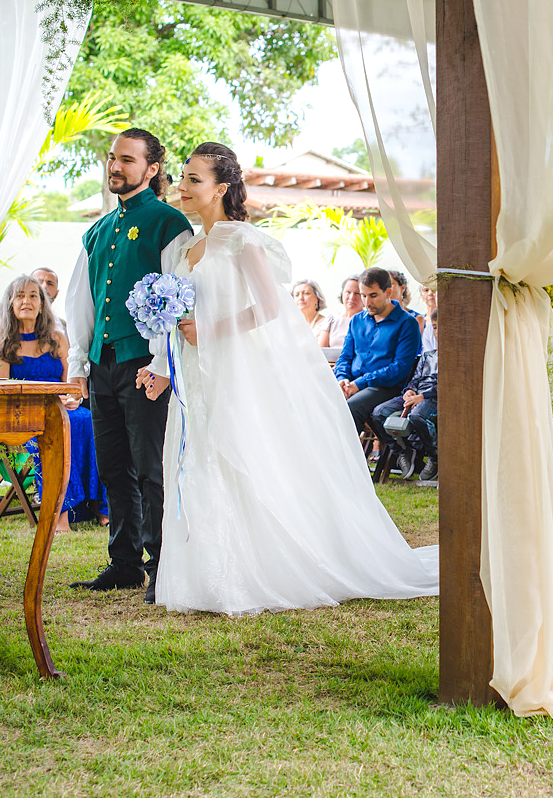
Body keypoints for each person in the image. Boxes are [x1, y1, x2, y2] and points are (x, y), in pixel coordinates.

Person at [133, 142, 440, 615]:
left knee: (237, 457)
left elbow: (269, 308)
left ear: (222, 188)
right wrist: (161, 369)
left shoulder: (242, 241)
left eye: (195, 179)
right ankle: (204, 577)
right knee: (197, 459)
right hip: (193, 375)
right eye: (183, 178)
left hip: (235, 372)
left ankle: (255, 572)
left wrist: (211, 330)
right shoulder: (181, 248)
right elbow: (177, 320)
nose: (183, 187)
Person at [64, 127, 193, 602]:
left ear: (152, 168)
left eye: (127, 160)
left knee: (150, 469)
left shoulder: (169, 223)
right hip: (103, 364)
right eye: (112, 158)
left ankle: (162, 566)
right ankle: (124, 563)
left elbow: (180, 299)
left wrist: (161, 363)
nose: (115, 166)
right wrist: (79, 363)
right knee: (113, 466)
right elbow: (82, 300)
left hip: (145, 365)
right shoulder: (97, 230)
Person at [0, 276, 108, 534]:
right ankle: (60, 515)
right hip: (24, 417)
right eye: (20, 295)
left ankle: (101, 506)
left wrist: (73, 398)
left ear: (42, 304)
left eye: (33, 295)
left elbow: (72, 383)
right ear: (10, 303)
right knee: (57, 431)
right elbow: (2, 394)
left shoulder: (57, 339)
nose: (27, 301)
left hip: (63, 407)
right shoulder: (2, 344)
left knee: (87, 421)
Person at [335, 267, 421, 435]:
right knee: (318, 402)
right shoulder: (357, 320)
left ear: (388, 292)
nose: (367, 302)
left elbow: (400, 368)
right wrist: (342, 378)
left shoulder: (407, 323)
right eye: (363, 295)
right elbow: (345, 357)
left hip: (386, 386)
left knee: (350, 408)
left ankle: (346, 453)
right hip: (353, 383)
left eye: (373, 295)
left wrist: (359, 384)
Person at [370, 309, 439, 481]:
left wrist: (422, 397)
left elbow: (449, 385)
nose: (438, 332)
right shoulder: (427, 356)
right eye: (435, 327)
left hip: (434, 398)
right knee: (379, 412)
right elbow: (415, 379)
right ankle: (403, 451)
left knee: (417, 415)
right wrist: (410, 391)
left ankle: (435, 457)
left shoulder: (458, 357)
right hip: (416, 396)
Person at [327, 275, 364, 351]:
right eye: (348, 292)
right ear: (342, 294)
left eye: (357, 293)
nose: (351, 297)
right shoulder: (331, 319)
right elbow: (322, 351)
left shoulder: (369, 320)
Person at [292, 279, 333, 345]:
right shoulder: (290, 324)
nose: (300, 298)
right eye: (297, 295)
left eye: (306, 293)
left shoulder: (326, 323)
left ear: (317, 298)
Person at [32, 267, 69, 338]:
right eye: (39, 282)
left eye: (50, 284)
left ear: (57, 293)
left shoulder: (64, 327)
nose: (44, 286)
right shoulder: (14, 322)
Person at [418, 282, 437, 352]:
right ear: (421, 295)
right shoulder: (418, 320)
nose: (430, 293)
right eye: (426, 290)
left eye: (434, 290)